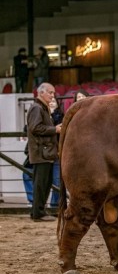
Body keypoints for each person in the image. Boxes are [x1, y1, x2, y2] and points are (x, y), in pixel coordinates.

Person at [27, 82, 61, 221]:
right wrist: (55, 129)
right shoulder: (37, 108)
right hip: (41, 153)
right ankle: (38, 213)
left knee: (44, 184)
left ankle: (38, 211)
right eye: (50, 92)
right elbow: (36, 128)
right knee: (41, 184)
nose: (52, 96)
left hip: (44, 152)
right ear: (41, 93)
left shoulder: (41, 108)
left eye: (53, 93)